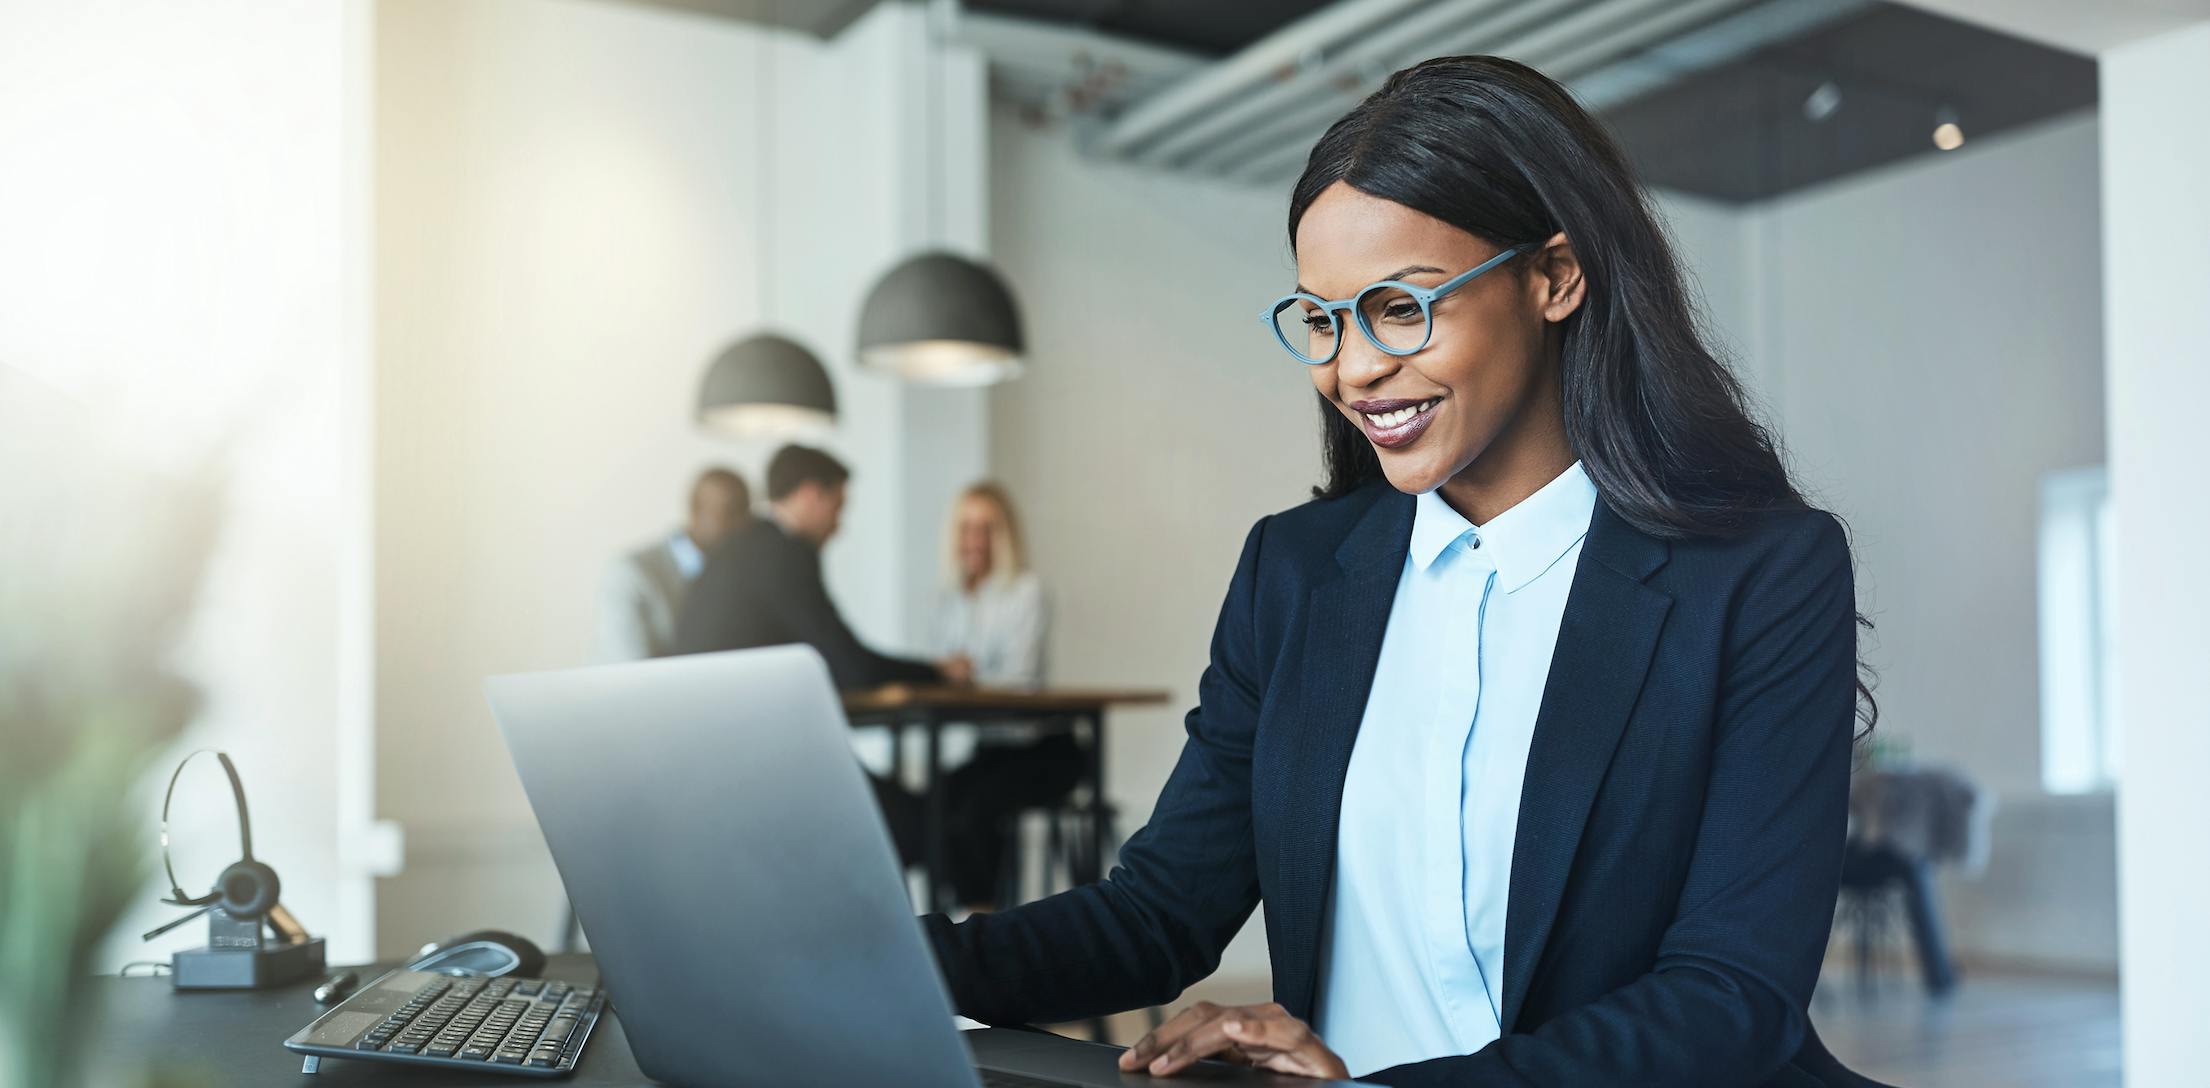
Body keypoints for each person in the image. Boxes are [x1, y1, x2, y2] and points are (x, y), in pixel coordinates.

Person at [919, 56, 1880, 1087]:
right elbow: (1157, 913)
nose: (1353, 368)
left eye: (1400, 307)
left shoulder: (1759, 574)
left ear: (1554, 275)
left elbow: (1727, 995)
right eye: (1322, 320)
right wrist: (875, 956)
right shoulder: (1291, 573)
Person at [674, 444, 971, 688]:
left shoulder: (747, 546)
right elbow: (849, 667)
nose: (838, 527)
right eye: (837, 507)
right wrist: (937, 673)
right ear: (810, 494)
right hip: (735, 726)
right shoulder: (782, 554)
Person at [931, 483, 1076, 909]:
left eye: (986, 528)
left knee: (975, 813)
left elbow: (1020, 677)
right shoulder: (949, 600)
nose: (975, 540)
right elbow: (945, 673)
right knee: (935, 809)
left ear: (1005, 534)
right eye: (966, 528)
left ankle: (987, 927)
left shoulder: (1026, 591)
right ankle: (959, 925)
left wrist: (963, 674)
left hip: (1042, 750)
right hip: (989, 750)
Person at [599, 466, 749, 661]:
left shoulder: (736, 575)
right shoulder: (629, 574)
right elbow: (630, 670)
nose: (739, 525)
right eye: (729, 512)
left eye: (745, 514)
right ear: (696, 511)